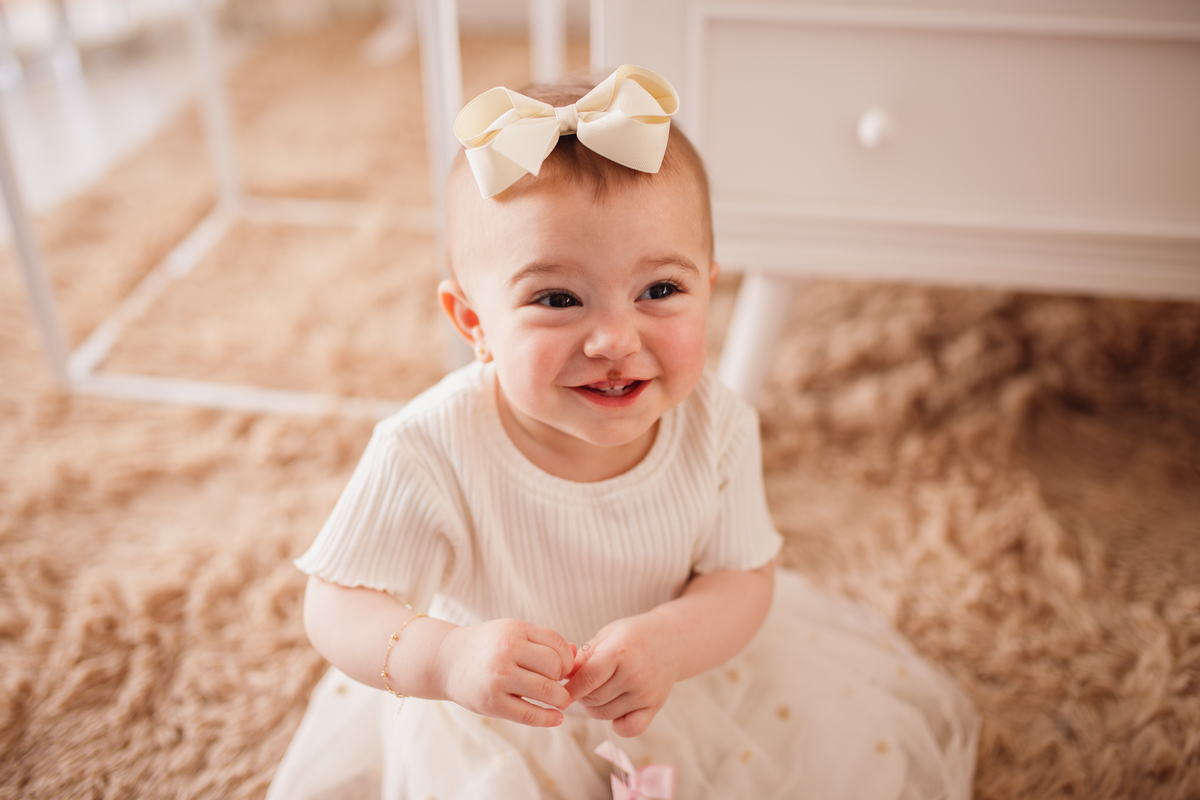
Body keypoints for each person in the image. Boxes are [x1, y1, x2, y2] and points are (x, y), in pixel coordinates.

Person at [267, 66, 979, 800]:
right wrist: (447, 659)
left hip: (676, 684)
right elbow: (337, 603)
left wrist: (673, 643)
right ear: (474, 323)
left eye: (660, 290)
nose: (614, 339)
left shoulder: (718, 426)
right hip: (492, 713)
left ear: (708, 286)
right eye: (557, 298)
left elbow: (741, 578)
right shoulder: (427, 449)